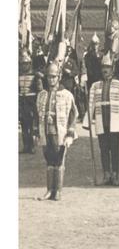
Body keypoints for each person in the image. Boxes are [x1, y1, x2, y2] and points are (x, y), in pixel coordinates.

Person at [35, 61, 77, 201]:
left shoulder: (67, 95)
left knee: (59, 161)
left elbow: (73, 115)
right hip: (46, 132)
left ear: (59, 77)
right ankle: (49, 190)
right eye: (49, 77)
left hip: (60, 133)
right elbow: (37, 115)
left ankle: (58, 190)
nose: (51, 80)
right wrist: (36, 132)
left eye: (54, 77)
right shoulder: (41, 95)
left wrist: (70, 134)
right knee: (49, 160)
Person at [87, 51, 119, 186]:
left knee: (115, 149)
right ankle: (106, 174)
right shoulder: (95, 86)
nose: (105, 70)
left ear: (113, 69)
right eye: (103, 67)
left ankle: (115, 175)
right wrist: (87, 120)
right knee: (104, 149)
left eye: (108, 67)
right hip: (102, 121)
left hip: (115, 122)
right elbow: (91, 104)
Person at [19, 50, 44, 154]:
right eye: (22, 64)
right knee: (24, 125)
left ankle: (32, 146)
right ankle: (26, 146)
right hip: (21, 103)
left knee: (32, 126)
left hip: (31, 103)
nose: (24, 66)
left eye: (26, 64)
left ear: (29, 64)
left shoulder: (35, 75)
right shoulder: (18, 75)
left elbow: (40, 91)